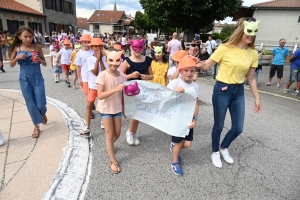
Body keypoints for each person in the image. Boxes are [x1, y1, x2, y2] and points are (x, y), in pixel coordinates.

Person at [198, 18, 262, 168]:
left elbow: (251, 77)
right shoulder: (225, 48)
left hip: (238, 91)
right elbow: (207, 64)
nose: (251, 36)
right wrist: (198, 64)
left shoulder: (253, 53)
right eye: (249, 32)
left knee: (238, 127)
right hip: (222, 90)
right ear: (241, 30)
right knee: (219, 125)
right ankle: (215, 151)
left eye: (254, 33)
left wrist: (257, 98)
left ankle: (223, 147)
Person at [9, 26, 47, 138]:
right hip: (24, 78)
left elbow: (45, 63)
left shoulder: (37, 47)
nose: (29, 39)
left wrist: (39, 59)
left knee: (40, 103)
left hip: (37, 77)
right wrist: (17, 58)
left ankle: (43, 113)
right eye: (26, 36)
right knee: (30, 102)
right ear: (19, 37)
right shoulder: (16, 48)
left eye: (30, 36)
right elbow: (11, 64)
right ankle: (36, 126)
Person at [168, 56, 199, 176]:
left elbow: (196, 103)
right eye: (186, 70)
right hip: (176, 118)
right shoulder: (174, 83)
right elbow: (164, 98)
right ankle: (175, 161)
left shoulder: (195, 86)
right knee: (178, 142)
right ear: (180, 70)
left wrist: (195, 118)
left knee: (188, 143)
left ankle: (175, 147)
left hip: (188, 118)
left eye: (192, 70)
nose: (189, 73)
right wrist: (174, 92)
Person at [96, 50, 126, 173]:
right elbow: (100, 95)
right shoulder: (102, 75)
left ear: (121, 60)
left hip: (117, 108)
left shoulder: (123, 76)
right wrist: (115, 89)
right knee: (109, 134)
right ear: (106, 60)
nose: (114, 63)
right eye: (111, 60)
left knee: (117, 133)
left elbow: (123, 95)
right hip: (105, 108)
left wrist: (124, 109)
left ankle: (110, 147)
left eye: (117, 60)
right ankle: (113, 160)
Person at [120, 39, 153, 145]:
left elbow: (152, 75)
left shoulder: (147, 60)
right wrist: (130, 76)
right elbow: (119, 77)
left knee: (140, 113)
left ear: (143, 47)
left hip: (143, 91)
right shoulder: (127, 61)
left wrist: (147, 77)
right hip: (130, 92)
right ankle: (130, 131)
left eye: (140, 47)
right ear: (130, 47)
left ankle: (133, 132)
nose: (137, 50)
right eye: (135, 47)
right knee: (136, 113)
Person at [80, 38, 105, 135]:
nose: (98, 48)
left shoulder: (105, 58)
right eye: (95, 46)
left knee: (102, 104)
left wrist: (101, 60)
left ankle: (103, 120)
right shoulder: (90, 59)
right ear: (92, 47)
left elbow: (104, 72)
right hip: (93, 85)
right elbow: (95, 73)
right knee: (90, 104)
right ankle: (87, 126)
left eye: (99, 46)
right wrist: (97, 59)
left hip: (102, 85)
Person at [75, 34, 94, 118]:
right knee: (87, 94)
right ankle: (89, 111)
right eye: (85, 42)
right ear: (82, 42)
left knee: (93, 93)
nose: (87, 44)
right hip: (85, 76)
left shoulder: (93, 51)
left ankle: (91, 104)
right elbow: (78, 66)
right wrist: (79, 78)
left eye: (88, 42)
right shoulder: (79, 53)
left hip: (93, 76)